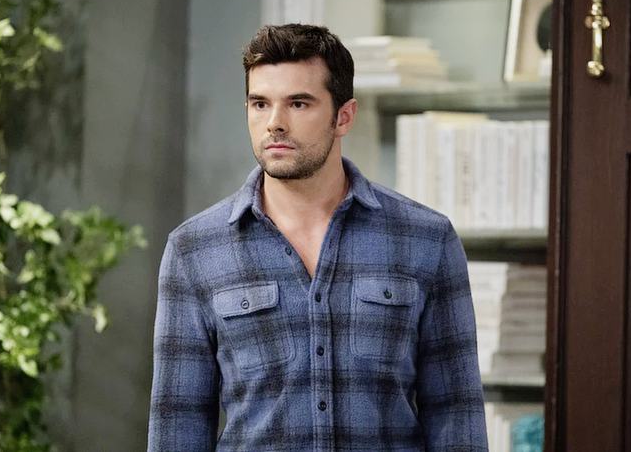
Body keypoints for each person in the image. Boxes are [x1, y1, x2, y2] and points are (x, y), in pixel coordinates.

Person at [147, 23, 488, 451]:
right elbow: (177, 427)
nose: (274, 124)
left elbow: (457, 416)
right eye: (260, 104)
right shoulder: (193, 250)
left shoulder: (427, 240)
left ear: (343, 116)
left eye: (298, 103)